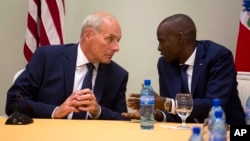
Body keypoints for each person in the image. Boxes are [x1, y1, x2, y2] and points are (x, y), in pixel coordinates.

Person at [122, 13, 246, 125]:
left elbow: (212, 105)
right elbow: (173, 110)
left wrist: (165, 103)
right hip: (185, 132)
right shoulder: (165, 64)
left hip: (225, 130)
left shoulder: (218, 56)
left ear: (180, 38)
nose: (159, 48)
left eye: (162, 41)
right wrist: (158, 114)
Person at [5, 11, 129, 120]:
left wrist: (98, 111)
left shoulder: (118, 76)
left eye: (118, 40)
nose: (116, 48)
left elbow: (122, 119)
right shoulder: (47, 58)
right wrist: (55, 111)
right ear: (88, 34)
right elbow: (14, 102)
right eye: (110, 39)